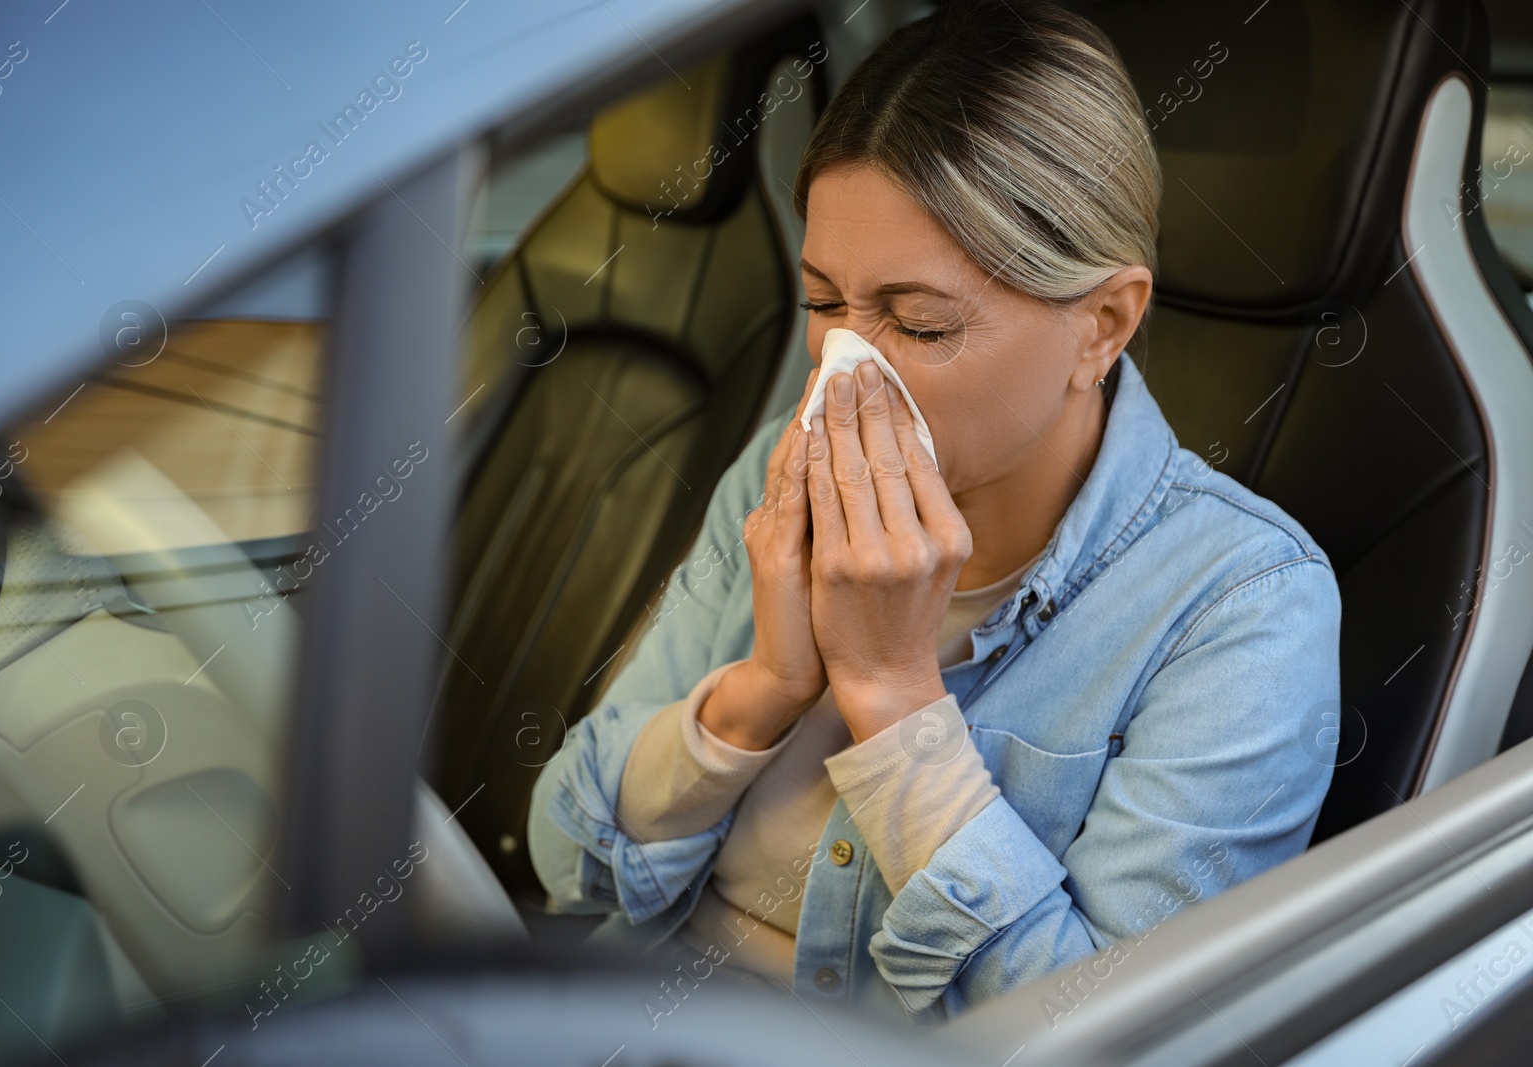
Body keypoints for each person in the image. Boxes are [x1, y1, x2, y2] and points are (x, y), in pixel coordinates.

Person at [527, 0, 1341, 1023]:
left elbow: (1114, 1031)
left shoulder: (1241, 607)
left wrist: (891, 693)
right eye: (824, 302)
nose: (839, 363)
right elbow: (567, 854)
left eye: (917, 321)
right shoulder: (777, 473)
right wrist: (761, 692)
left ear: (1103, 324)